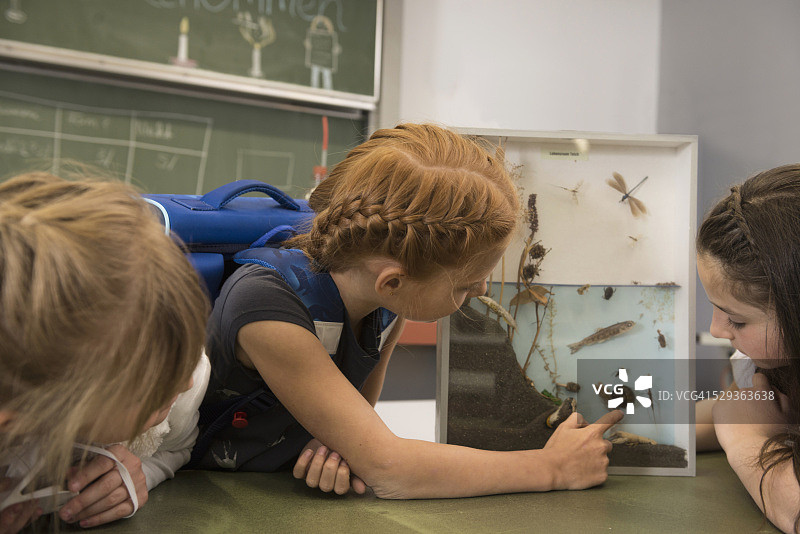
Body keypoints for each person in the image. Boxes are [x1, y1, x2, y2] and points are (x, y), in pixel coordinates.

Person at [199, 123, 623, 498]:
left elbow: (361, 430)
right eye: (466, 284)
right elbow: (390, 469)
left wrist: (342, 446)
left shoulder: (384, 302)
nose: (482, 289)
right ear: (393, 281)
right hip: (207, 494)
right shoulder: (266, 306)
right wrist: (553, 467)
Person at [0, 172, 209, 532]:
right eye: (151, 385)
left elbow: (177, 445)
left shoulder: (179, 366)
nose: (184, 382)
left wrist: (140, 474)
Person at [696, 163, 800, 534]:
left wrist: (746, 442)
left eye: (737, 320)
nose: (716, 330)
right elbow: (741, 409)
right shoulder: (772, 361)